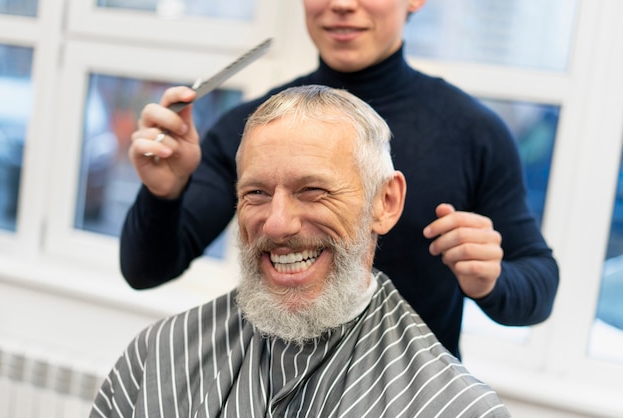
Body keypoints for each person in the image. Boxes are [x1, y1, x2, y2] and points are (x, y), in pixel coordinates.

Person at [120, 0, 559, 357]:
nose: (342, 5)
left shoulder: (473, 133)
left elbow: (540, 284)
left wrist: (493, 280)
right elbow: (145, 270)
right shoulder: (255, 131)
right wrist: (163, 193)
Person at [91, 85, 511, 417]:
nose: (276, 224)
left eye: (313, 191)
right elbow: (147, 264)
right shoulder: (160, 357)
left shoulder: (454, 408)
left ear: (385, 203)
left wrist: (494, 279)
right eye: (255, 193)